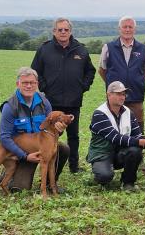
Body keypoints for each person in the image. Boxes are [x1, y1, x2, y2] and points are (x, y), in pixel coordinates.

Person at [31, 17, 96, 173]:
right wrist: (45, 87)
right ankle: (50, 164)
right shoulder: (45, 49)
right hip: (51, 102)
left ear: (70, 31)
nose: (63, 32)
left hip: (73, 102)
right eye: (59, 29)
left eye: (66, 29)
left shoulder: (80, 49)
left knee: (73, 136)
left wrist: (83, 87)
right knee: (50, 135)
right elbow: (35, 72)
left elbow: (90, 71)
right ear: (54, 31)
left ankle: (74, 166)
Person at [0, 67, 70, 191]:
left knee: (63, 148)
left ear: (37, 84)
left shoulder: (44, 102)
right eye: (25, 83)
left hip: (42, 146)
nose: (28, 86)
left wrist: (60, 129)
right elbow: (4, 138)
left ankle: (49, 183)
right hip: (21, 152)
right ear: (18, 84)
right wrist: (25, 156)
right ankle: (7, 173)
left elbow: (52, 129)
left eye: (32, 83)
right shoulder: (10, 107)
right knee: (19, 188)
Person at [86, 81, 145, 191]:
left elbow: (137, 135)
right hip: (102, 153)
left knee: (135, 151)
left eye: (124, 94)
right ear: (109, 94)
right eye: (119, 94)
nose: (122, 97)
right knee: (105, 176)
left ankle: (128, 183)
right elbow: (115, 137)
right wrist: (142, 142)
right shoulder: (99, 114)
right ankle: (99, 174)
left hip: (119, 153)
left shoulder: (129, 112)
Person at [98, 16, 145, 132]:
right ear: (119, 29)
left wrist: (136, 82)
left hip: (136, 96)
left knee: (136, 128)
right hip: (114, 97)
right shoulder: (108, 47)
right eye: (125, 27)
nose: (127, 30)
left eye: (130, 27)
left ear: (134, 29)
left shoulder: (143, 49)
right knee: (114, 127)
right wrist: (114, 86)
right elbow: (102, 71)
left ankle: (137, 150)